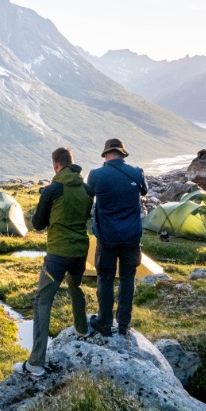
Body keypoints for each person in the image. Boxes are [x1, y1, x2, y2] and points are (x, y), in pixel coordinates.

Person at [14, 147, 94, 377]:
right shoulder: (87, 190)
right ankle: (82, 329)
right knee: (75, 286)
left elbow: (38, 223)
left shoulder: (53, 190)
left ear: (56, 165)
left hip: (58, 254)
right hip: (80, 251)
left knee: (42, 300)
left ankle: (36, 363)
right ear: (71, 163)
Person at [85, 138, 148, 337]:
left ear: (105, 155)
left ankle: (104, 323)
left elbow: (88, 197)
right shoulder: (137, 172)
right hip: (131, 237)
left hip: (107, 237)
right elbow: (144, 190)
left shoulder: (96, 175)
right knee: (128, 279)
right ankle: (123, 325)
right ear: (123, 154)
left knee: (105, 278)